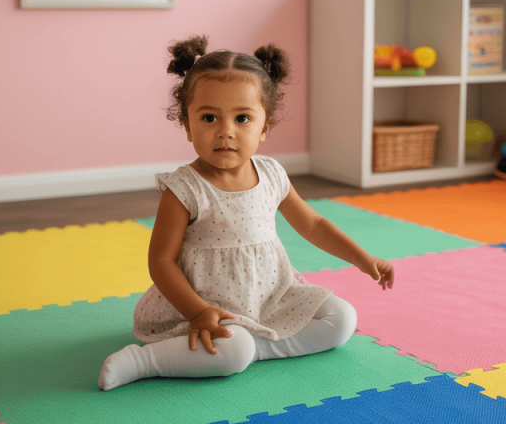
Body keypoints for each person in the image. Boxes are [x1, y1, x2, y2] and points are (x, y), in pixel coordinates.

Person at [98, 35, 395, 390]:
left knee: (342, 319)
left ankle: (252, 348)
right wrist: (198, 312)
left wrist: (362, 258)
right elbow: (161, 262)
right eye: (209, 118)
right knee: (232, 351)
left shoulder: (271, 174)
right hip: (205, 303)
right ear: (187, 124)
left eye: (242, 118)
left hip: (269, 295)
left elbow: (313, 224)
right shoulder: (184, 189)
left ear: (265, 126)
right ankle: (145, 360)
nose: (226, 131)